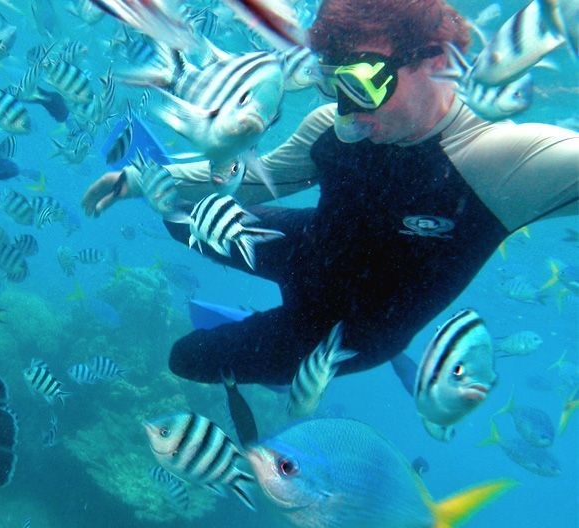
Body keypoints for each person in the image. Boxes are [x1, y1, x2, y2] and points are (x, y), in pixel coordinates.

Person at [81, 0, 579, 386]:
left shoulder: (498, 162)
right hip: (306, 250)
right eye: (333, 82)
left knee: (187, 359)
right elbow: (254, 179)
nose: (349, 108)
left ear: (437, 60)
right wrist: (137, 180)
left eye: (364, 80)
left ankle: (263, 355)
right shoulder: (332, 127)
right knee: (179, 221)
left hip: (345, 335)